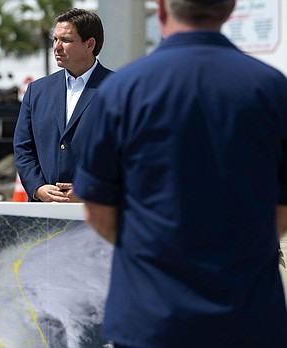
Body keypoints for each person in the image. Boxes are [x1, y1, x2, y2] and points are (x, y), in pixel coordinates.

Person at [73, 0, 287, 346]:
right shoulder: (273, 89)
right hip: (247, 318)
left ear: (160, 9)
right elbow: (280, 211)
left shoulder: (122, 90)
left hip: (150, 318)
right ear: (230, 9)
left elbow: (97, 209)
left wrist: (157, 249)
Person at [13, 8, 112, 203]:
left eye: (66, 40)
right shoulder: (36, 91)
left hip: (97, 214)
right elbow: (23, 148)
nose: (57, 47)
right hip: (44, 217)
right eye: (55, 39)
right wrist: (38, 187)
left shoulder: (118, 90)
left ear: (90, 44)